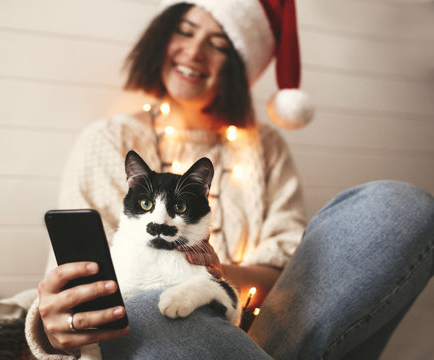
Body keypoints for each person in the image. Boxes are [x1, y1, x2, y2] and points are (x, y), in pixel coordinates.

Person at [25, 1, 434, 359]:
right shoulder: (108, 140)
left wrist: (207, 278)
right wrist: (54, 328)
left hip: (266, 331)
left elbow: (297, 273)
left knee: (398, 207)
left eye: (219, 43)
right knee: (156, 313)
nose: (194, 51)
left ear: (242, 62)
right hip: (154, 337)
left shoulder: (265, 147)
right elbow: (70, 284)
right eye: (184, 31)